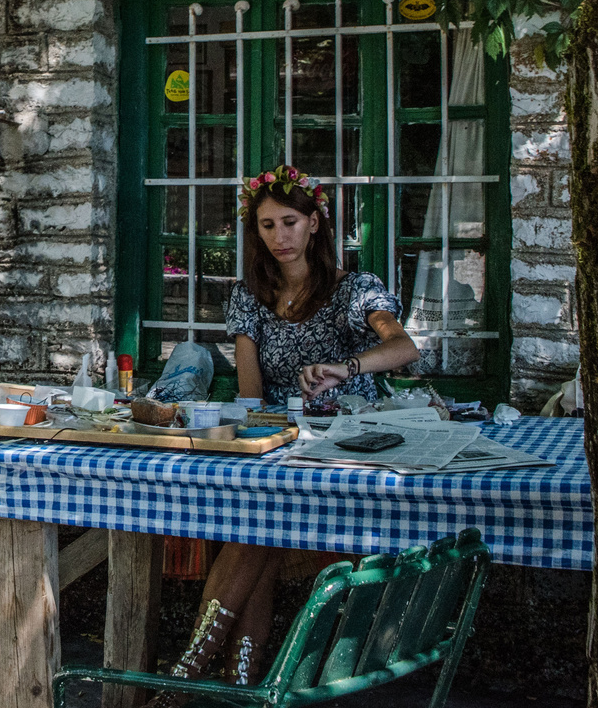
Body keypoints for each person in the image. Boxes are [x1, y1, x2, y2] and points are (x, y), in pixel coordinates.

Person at [168, 165, 420, 686]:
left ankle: (196, 672)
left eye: (289, 222)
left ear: (314, 224)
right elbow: (250, 396)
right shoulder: (250, 296)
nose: (279, 237)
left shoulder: (355, 290)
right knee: (257, 521)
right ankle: (235, 677)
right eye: (266, 226)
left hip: (351, 454)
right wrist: (263, 424)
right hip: (283, 445)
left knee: (254, 526)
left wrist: (345, 368)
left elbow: (403, 348)